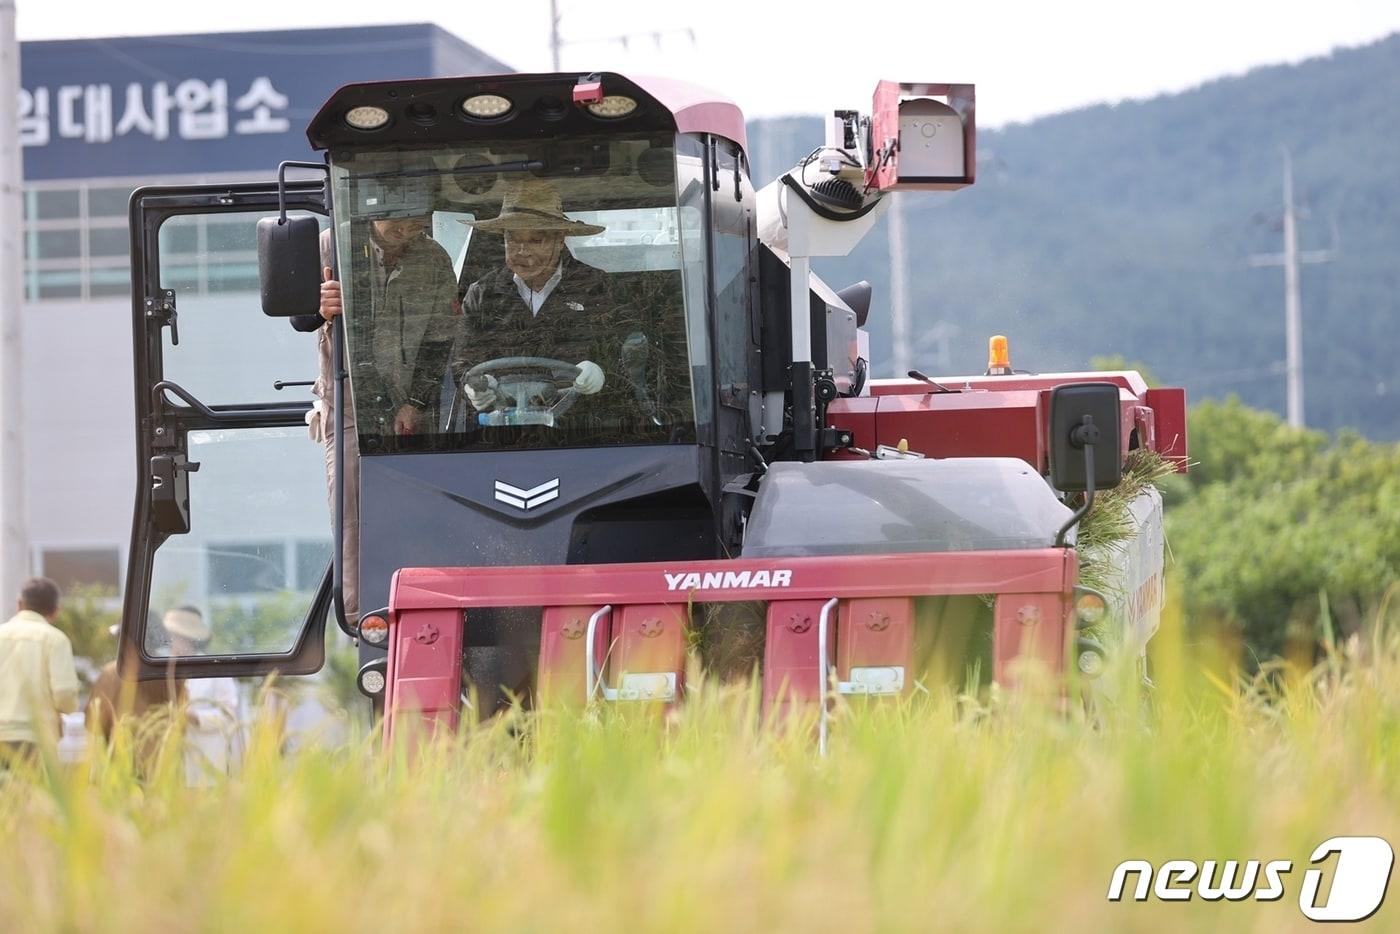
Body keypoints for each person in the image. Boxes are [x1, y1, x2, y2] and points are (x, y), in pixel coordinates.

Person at [452, 180, 633, 422]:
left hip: (584, 427)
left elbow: (631, 352)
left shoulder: (598, 288)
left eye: (536, 240)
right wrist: (472, 388)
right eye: (512, 240)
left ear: (560, 240)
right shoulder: (482, 293)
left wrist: (603, 372)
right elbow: (462, 361)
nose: (522, 251)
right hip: (499, 428)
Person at [0, 577, 80, 767]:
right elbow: (64, 694)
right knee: (32, 796)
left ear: (19, 604)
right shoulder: (55, 640)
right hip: (37, 741)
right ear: (55, 611)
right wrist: (68, 709)